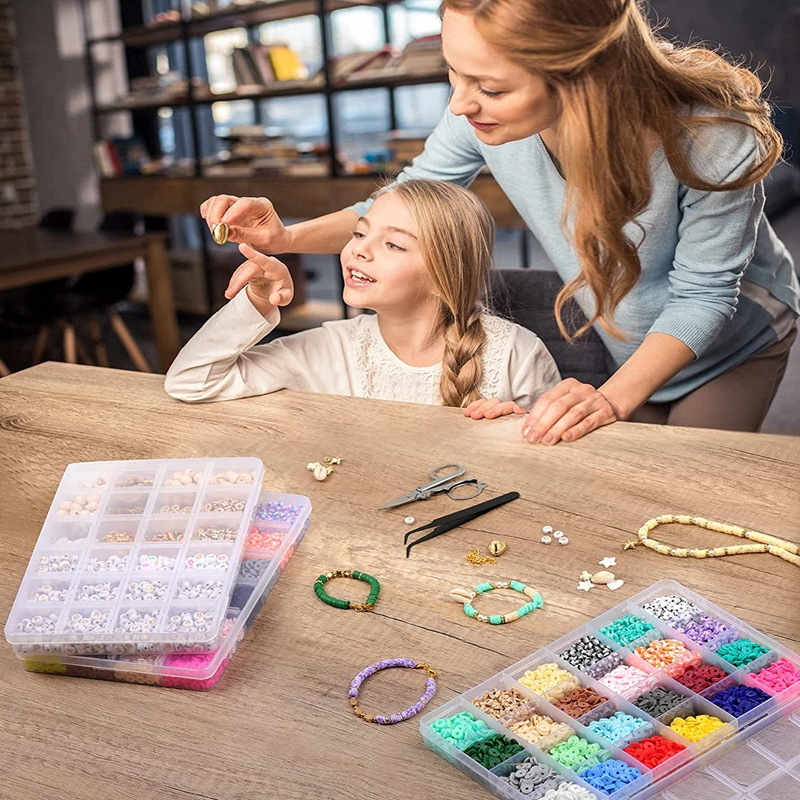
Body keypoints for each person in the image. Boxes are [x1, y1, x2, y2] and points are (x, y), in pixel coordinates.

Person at [199, 0, 799, 444]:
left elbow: (702, 298)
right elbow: (402, 202)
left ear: (581, 76)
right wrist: (286, 238)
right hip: (625, 334)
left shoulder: (714, 141)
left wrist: (608, 402)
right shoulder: (482, 120)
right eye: (453, 74)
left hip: (734, 342)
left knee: (683, 498)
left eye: (487, 85)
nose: (460, 103)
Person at [165, 179, 560, 408]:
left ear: (444, 276)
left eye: (393, 245)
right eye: (359, 233)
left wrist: (518, 432)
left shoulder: (517, 354)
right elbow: (190, 382)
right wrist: (255, 302)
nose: (358, 249)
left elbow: (560, 469)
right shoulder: (333, 348)